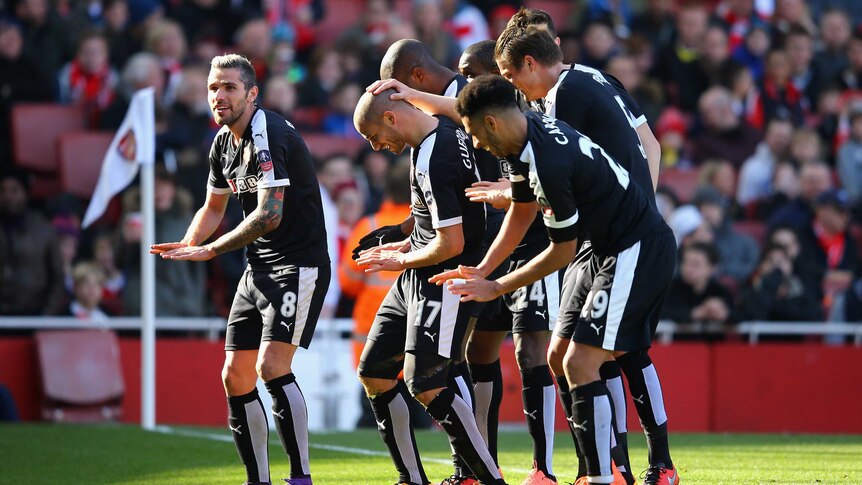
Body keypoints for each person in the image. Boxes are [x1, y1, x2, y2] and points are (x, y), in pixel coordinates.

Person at [433, 75, 679, 485]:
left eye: (474, 133)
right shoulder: (526, 136)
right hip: (602, 247)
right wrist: (485, 270)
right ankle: (596, 472)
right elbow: (521, 212)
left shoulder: (547, 159)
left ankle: (606, 475)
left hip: (634, 246)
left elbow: (560, 251)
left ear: (491, 123)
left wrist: (497, 287)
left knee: (582, 361)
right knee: (559, 355)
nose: (475, 144)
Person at [151, 54, 330, 485]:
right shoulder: (222, 143)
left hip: (297, 264)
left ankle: (301, 477)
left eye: (229, 87)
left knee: (272, 366)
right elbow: (213, 207)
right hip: (259, 268)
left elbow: (269, 214)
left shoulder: (266, 131)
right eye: (214, 88)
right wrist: (190, 244)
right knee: (234, 374)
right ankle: (258, 479)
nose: (219, 96)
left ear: (252, 94)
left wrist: (210, 251)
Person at [352, 89, 504, 485]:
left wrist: (398, 259)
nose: (378, 147)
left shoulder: (435, 155)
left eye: (374, 137)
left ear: (390, 118)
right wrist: (404, 244)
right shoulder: (440, 133)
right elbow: (439, 220)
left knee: (428, 382)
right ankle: (412, 479)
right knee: (374, 371)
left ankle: (489, 480)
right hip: (418, 275)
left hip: (447, 276)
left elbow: (451, 242)